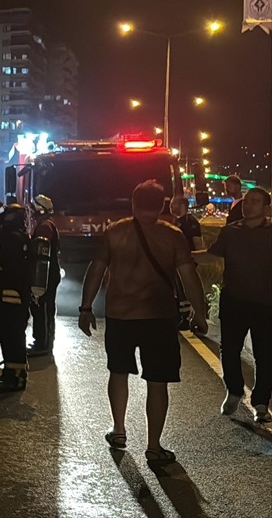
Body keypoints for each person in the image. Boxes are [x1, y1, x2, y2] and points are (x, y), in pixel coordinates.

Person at [79, 180, 208, 466]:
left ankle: (119, 429)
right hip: (158, 317)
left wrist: (86, 307)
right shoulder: (173, 236)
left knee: (118, 372)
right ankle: (154, 445)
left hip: (121, 315)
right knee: (157, 382)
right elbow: (189, 278)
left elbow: (96, 270)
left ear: (133, 203)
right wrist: (200, 314)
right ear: (162, 204)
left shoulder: (115, 232)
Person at [193, 187, 272, 423]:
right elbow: (212, 254)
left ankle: (260, 403)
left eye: (255, 202)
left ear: (266, 207)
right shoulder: (231, 231)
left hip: (265, 304)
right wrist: (185, 256)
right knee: (228, 350)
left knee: (265, 355)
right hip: (234, 300)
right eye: (247, 202)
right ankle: (235, 390)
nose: (249, 206)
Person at [0, 204, 32, 391]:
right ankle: (10, 372)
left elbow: (1, 262)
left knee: (13, 338)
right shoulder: (18, 237)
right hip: (10, 297)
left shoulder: (12, 239)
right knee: (9, 337)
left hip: (12, 298)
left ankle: (17, 378)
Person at [28, 194, 62, 357]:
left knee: (44, 309)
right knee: (39, 309)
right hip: (46, 274)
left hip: (45, 275)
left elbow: (40, 253)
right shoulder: (46, 225)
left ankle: (43, 344)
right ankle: (40, 341)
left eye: (33, 209)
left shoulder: (44, 227)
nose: (31, 212)